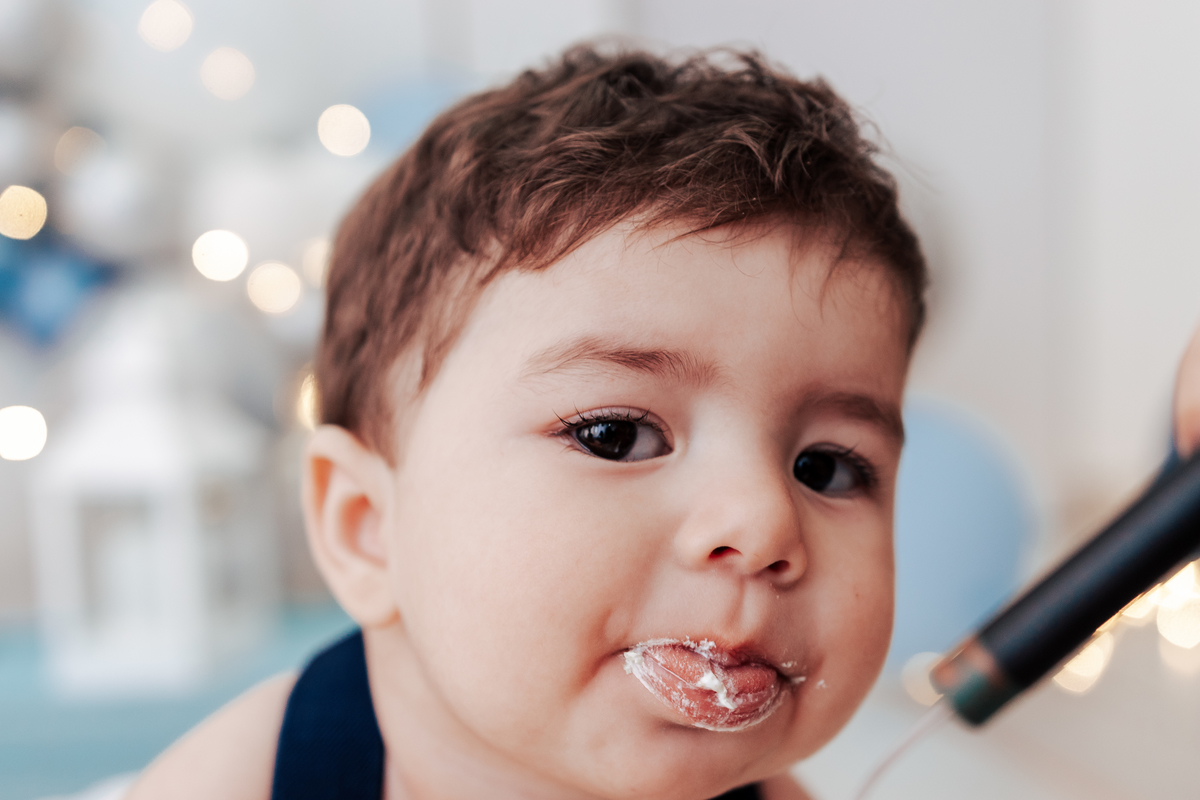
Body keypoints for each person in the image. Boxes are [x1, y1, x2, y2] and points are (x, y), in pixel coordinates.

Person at [130, 45, 911, 799]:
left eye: (826, 468)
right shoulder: (236, 783)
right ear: (366, 526)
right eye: (615, 436)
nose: (766, 523)